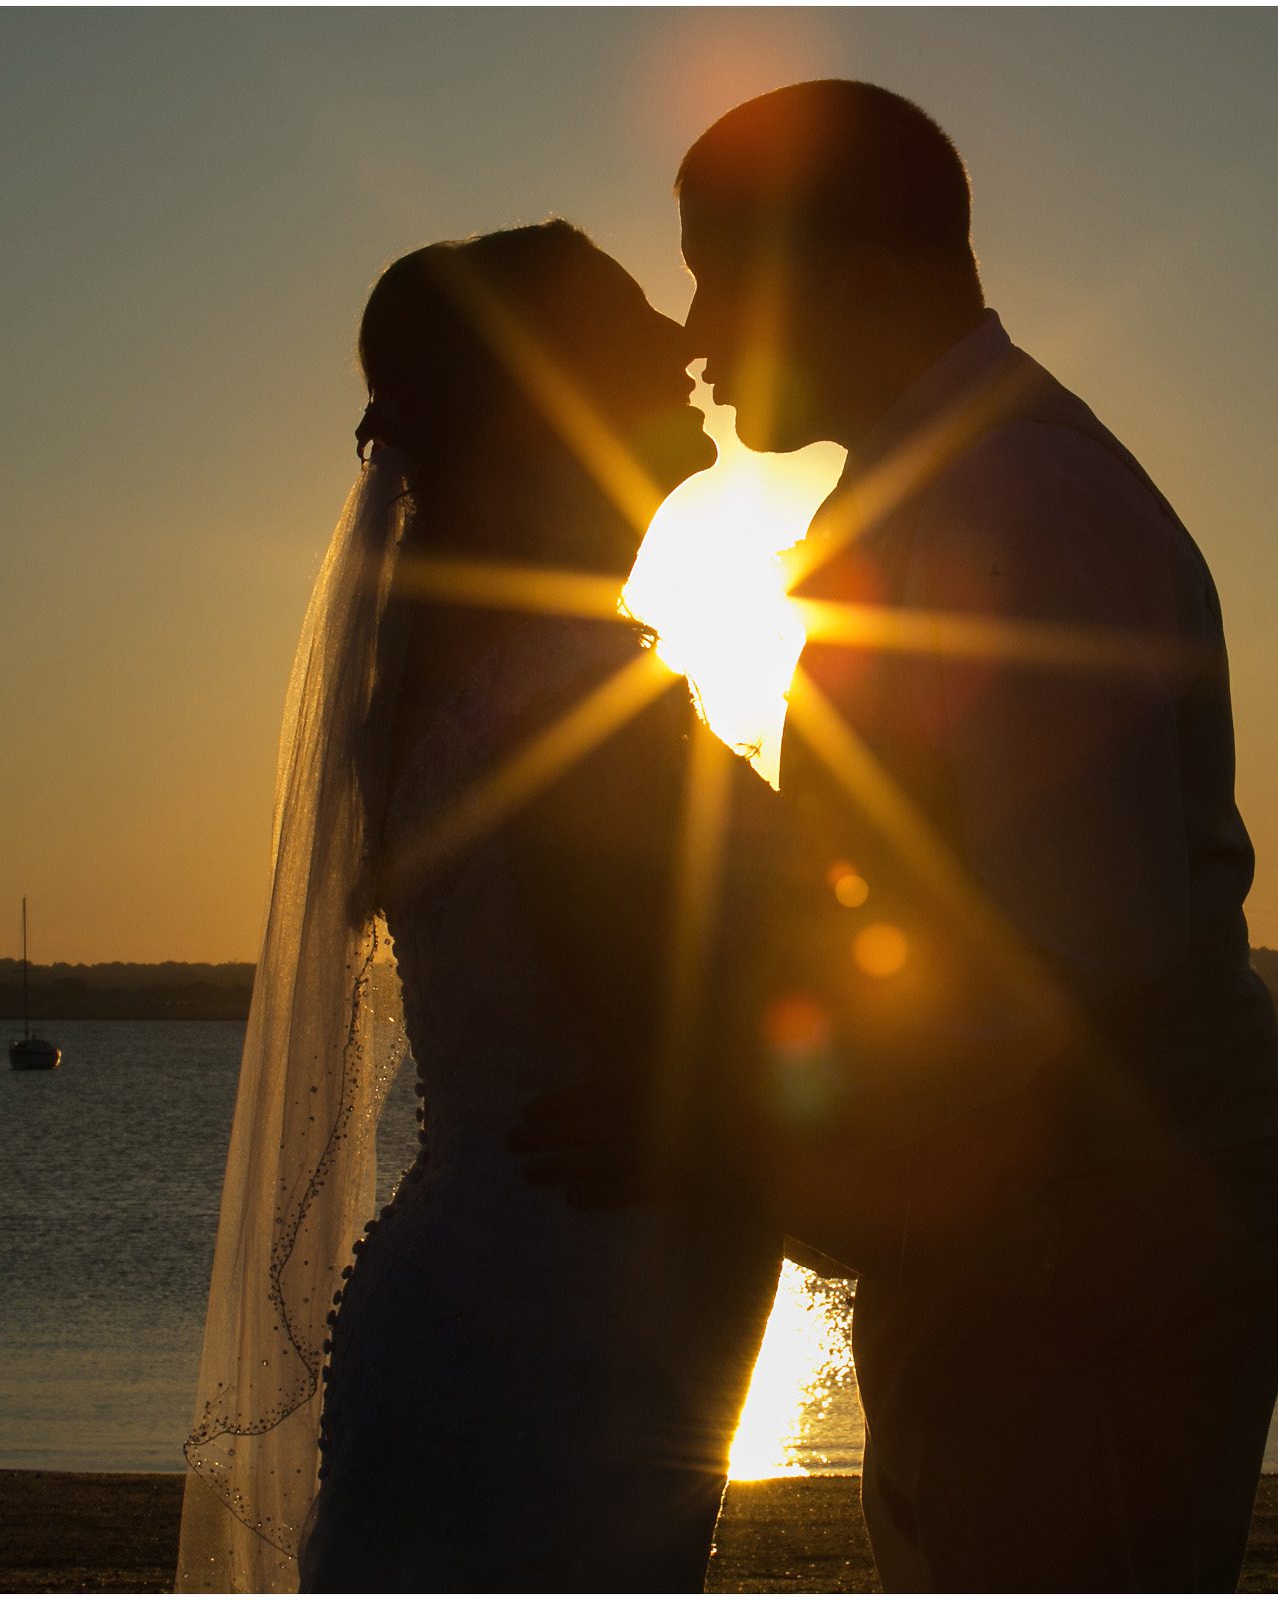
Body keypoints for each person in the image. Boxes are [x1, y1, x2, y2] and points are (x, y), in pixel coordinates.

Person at [534, 80, 1278, 1590]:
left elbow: (1064, 957)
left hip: (1101, 1255)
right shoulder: (940, 490)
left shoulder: (1021, 505)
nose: (696, 332)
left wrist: (727, 1132)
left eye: (718, 272)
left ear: (855, 267)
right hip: (1026, 1239)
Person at [175, 221, 785, 1591]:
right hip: (558, 1344)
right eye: (633, 321)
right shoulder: (570, 711)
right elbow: (676, 1034)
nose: (682, 345)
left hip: (518, 1311)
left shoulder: (492, 681)